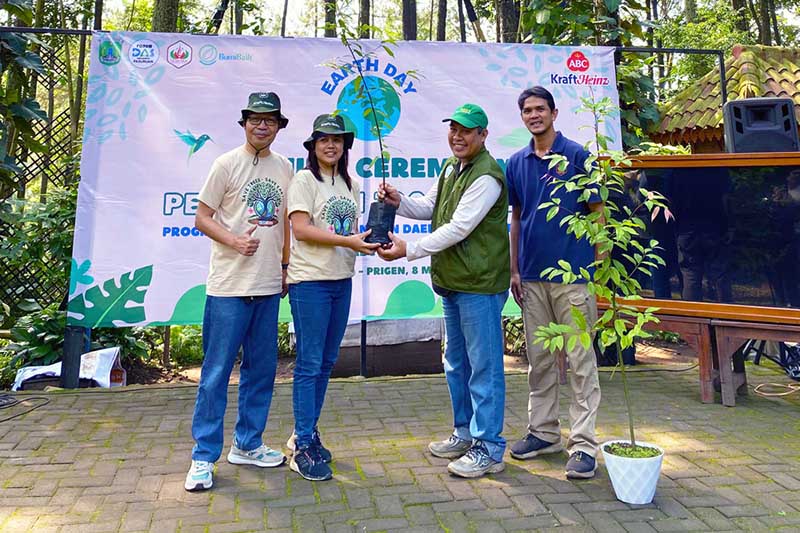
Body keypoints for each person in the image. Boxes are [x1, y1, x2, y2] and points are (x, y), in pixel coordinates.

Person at [378, 103, 510, 478]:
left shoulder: (487, 176)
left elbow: (459, 227)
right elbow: (429, 208)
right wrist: (398, 202)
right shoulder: (451, 167)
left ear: (483, 135)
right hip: (453, 281)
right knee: (457, 364)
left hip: (480, 286)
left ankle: (490, 447)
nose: (457, 136)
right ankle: (465, 432)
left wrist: (410, 250)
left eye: (466, 130)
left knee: (483, 367)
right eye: (453, 128)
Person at [185, 92, 293, 492]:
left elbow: (285, 225)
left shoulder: (285, 168)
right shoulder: (224, 164)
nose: (261, 126)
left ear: (279, 126)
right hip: (229, 288)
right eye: (254, 119)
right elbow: (201, 217)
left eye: (269, 120)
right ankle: (203, 457)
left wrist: (284, 268)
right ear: (244, 123)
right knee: (215, 374)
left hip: (268, 288)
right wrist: (233, 241)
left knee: (261, 371)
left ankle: (247, 444)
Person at [506, 86, 602, 479]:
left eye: (540, 109)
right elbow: (516, 217)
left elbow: (597, 212)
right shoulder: (516, 162)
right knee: (540, 362)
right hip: (531, 277)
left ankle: (583, 445)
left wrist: (597, 268)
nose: (534, 115)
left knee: (580, 361)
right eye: (527, 110)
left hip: (574, 278)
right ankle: (544, 433)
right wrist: (514, 269)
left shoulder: (578, 156)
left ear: (554, 113)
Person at [285, 113, 379, 481]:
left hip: (342, 280)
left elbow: (353, 233)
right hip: (310, 282)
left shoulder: (350, 185)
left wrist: (371, 242)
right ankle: (302, 446)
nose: (331, 145)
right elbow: (302, 230)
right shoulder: (304, 180)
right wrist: (349, 241)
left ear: (345, 147)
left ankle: (306, 432)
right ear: (313, 146)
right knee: (309, 363)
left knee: (326, 362)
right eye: (323, 139)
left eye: (337, 140)